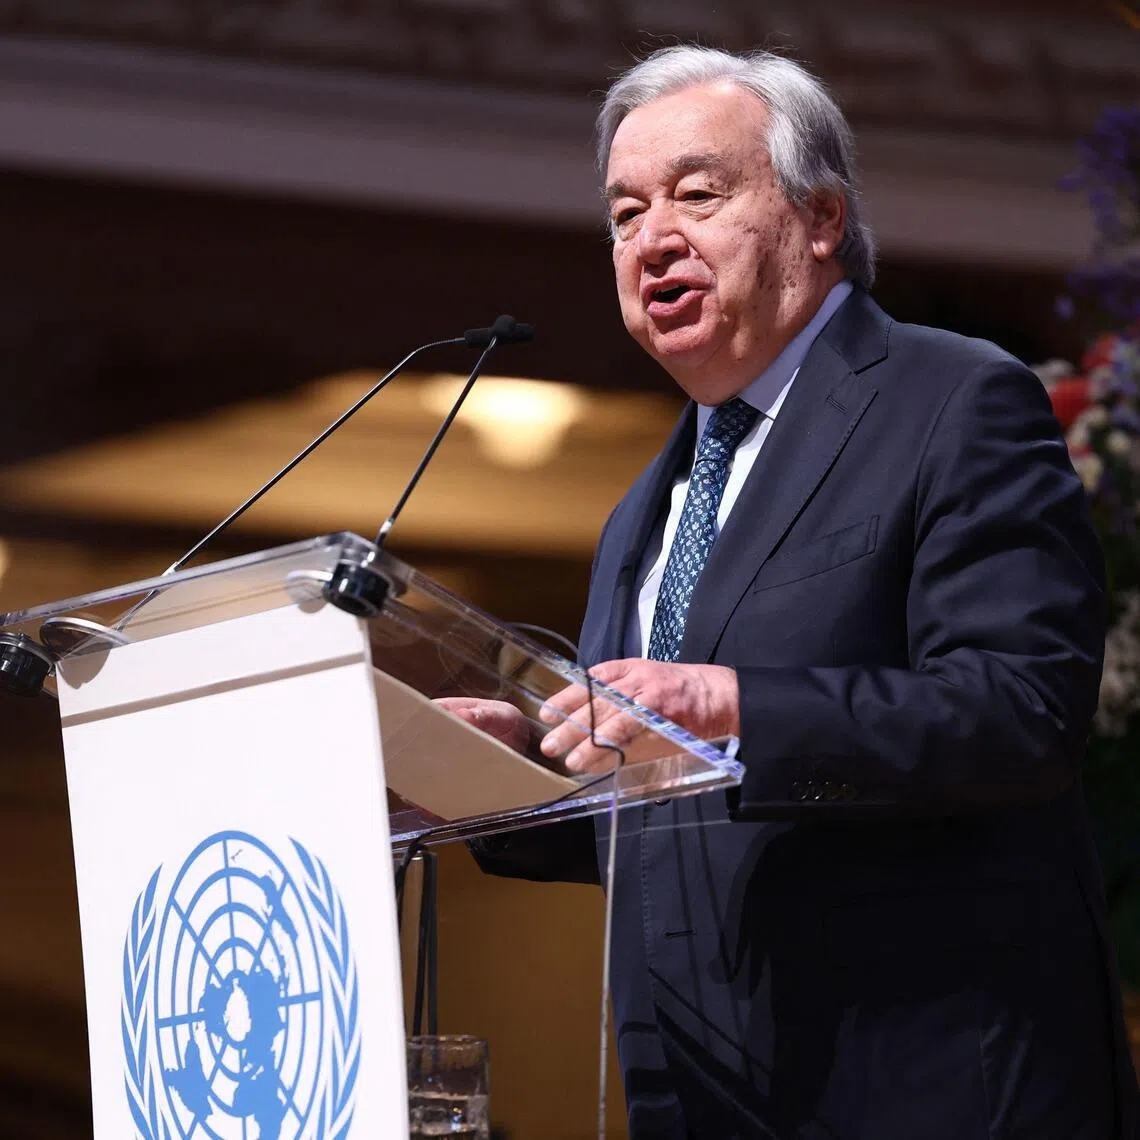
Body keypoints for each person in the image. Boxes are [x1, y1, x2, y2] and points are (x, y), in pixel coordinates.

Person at [452, 45, 1140, 1139]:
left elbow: (1021, 711)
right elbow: (660, 808)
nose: (652, 239)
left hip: (925, 1093)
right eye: (625, 215)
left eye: (697, 194)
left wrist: (740, 709)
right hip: (702, 1093)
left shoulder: (953, 399)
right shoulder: (644, 509)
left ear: (821, 218)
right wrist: (500, 780)